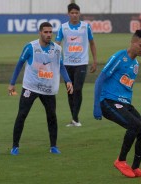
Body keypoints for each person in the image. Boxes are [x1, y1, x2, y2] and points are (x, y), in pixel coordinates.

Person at [93, 30, 141, 178]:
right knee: (134, 125)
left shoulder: (136, 64)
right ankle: (121, 161)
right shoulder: (119, 57)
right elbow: (100, 79)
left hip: (124, 103)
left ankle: (136, 168)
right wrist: (96, 105)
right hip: (108, 101)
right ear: (133, 42)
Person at [8, 22, 73, 155]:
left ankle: (53, 146)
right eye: (46, 32)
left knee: (52, 116)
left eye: (50, 32)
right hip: (30, 87)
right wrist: (12, 83)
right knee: (22, 115)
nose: (49, 35)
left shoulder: (57, 49)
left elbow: (61, 66)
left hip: (48, 89)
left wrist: (68, 80)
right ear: (40, 33)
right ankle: (15, 146)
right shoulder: (31, 47)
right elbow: (20, 64)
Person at [55, 2, 98, 127]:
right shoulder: (63, 28)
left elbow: (92, 43)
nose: (74, 15)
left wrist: (95, 61)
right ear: (68, 14)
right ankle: (74, 118)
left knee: (78, 89)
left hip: (82, 63)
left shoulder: (86, 27)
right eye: (72, 13)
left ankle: (75, 118)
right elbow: (57, 43)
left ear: (79, 13)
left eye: (76, 13)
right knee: (70, 91)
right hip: (67, 64)